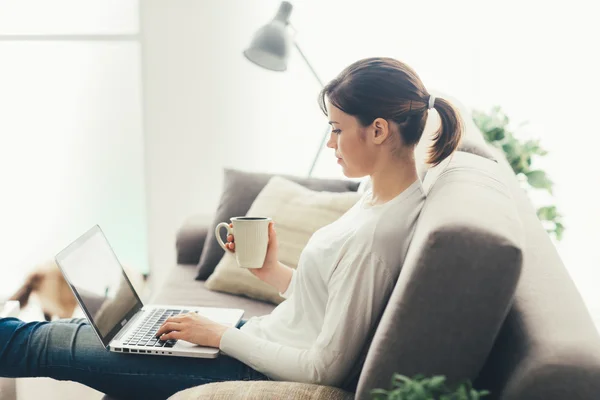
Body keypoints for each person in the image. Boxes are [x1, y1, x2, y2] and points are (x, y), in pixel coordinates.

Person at [0, 57, 463, 399]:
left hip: (250, 367)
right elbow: (331, 301)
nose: (330, 142)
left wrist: (217, 335)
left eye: (338, 129)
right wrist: (271, 271)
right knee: (87, 342)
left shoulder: (381, 236)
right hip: (256, 341)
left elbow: (325, 367)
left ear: (379, 130)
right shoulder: (380, 198)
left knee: (40, 343)